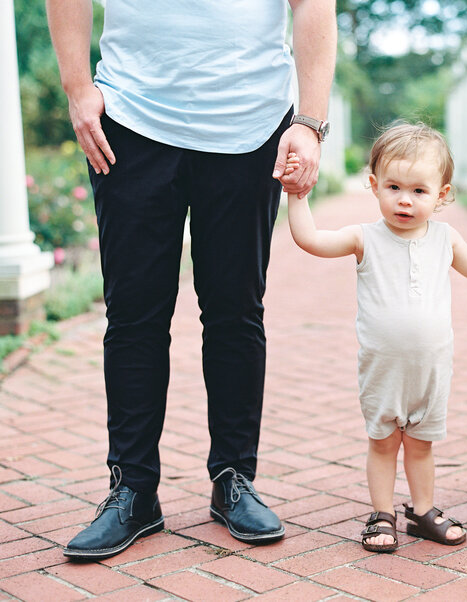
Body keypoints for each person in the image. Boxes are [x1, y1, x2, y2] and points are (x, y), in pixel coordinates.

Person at [47, 0, 336, 560]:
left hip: (250, 123)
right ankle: (132, 489)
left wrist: (310, 121)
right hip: (130, 118)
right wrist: (77, 87)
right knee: (133, 314)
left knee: (235, 312)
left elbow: (312, 5)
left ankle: (233, 479)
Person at [286, 123, 467, 552]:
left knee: (422, 445)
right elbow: (311, 240)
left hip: (432, 369)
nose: (405, 199)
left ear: (443, 195)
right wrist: (297, 195)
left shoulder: (445, 238)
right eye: (393, 186)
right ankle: (383, 513)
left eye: (419, 191)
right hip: (383, 368)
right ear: (374, 186)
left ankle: (423, 510)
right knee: (384, 443)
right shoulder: (364, 237)